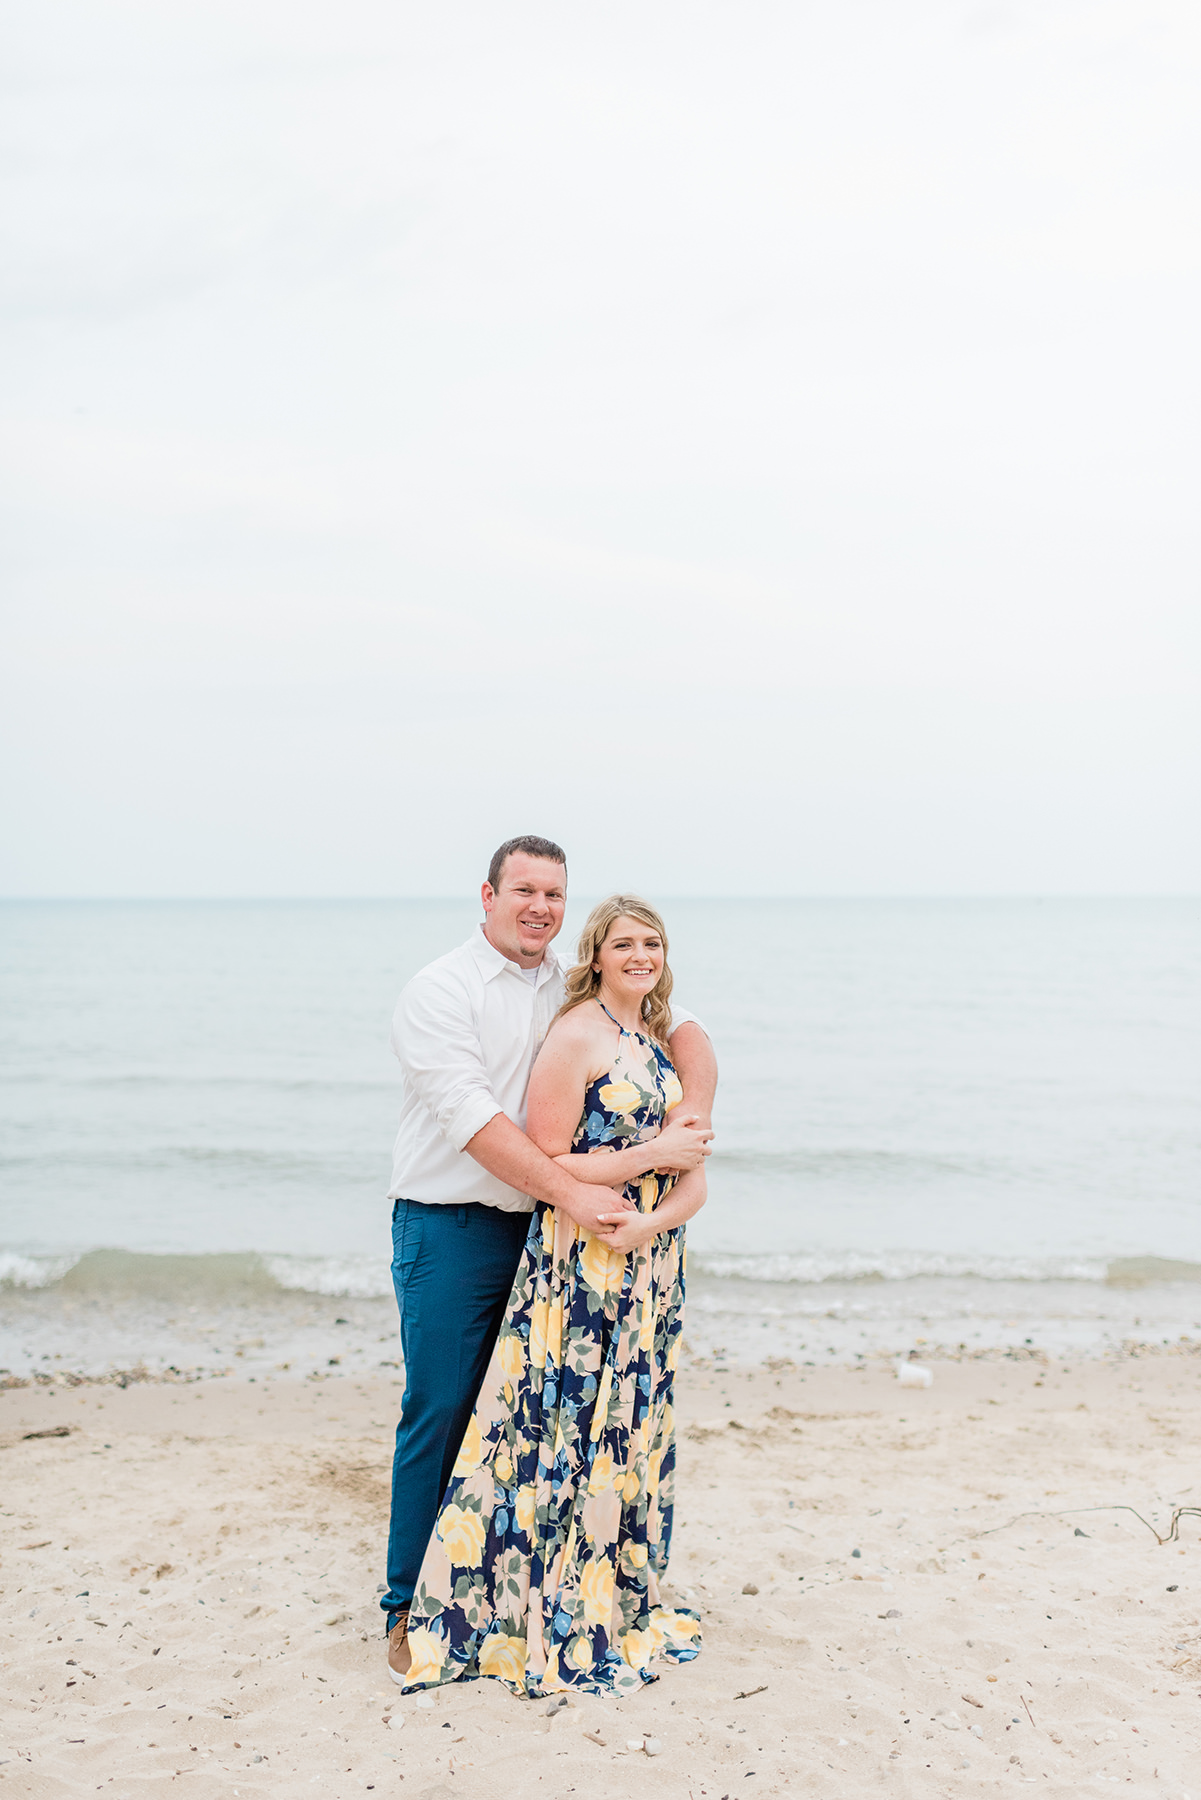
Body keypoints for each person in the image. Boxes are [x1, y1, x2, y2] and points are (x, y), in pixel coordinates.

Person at [383, 839, 716, 1683]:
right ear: (487, 894)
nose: (539, 905)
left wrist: (695, 1062)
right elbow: (478, 1124)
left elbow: (652, 1015)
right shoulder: (440, 990)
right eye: (523, 890)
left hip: (550, 1236)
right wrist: (578, 1190)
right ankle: (406, 1608)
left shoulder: (566, 984)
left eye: (554, 893)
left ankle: (520, 1591)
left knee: (536, 1423)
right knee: (445, 1412)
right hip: (452, 1223)